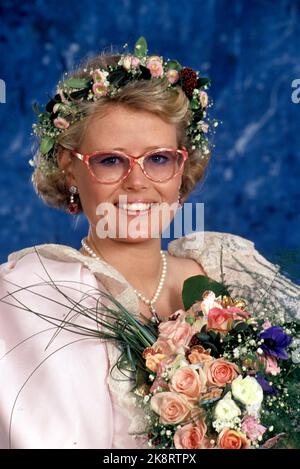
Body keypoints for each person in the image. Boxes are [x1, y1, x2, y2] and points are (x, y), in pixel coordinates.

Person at [0, 38, 299, 449]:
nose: (137, 182)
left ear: (182, 167)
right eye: (111, 160)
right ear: (70, 169)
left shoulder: (227, 266)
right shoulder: (35, 293)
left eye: (158, 159)